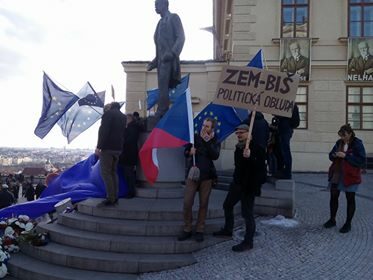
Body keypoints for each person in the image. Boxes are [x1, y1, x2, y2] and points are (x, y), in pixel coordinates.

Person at [213, 122, 267, 252]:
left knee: (247, 213)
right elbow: (239, 167)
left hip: (249, 186)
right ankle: (228, 229)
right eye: (237, 133)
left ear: (249, 134)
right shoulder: (238, 148)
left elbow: (261, 170)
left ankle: (248, 241)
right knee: (227, 205)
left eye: (241, 132)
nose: (238, 135)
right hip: (237, 184)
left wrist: (250, 157)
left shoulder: (258, 148)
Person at [178, 117, 221, 243]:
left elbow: (215, 155)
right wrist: (189, 152)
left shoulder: (214, 140)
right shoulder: (195, 137)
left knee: (203, 204)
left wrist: (207, 142)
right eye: (203, 125)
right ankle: (187, 228)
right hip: (193, 175)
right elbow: (185, 151)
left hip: (207, 176)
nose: (204, 128)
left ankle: (200, 229)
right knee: (187, 202)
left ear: (212, 128)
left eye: (207, 126)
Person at [323, 124, 366, 233]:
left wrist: (346, 156)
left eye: (344, 135)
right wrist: (334, 155)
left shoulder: (357, 144)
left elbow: (361, 160)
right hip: (337, 172)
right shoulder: (339, 143)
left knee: (350, 198)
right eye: (341, 135)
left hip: (350, 175)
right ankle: (332, 220)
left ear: (350, 134)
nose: (342, 138)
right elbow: (330, 155)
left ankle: (348, 223)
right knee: (333, 196)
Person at [147, 0, 185, 120]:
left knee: (163, 87)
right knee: (162, 87)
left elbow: (181, 37)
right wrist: (154, 62)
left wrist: (172, 53)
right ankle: (162, 110)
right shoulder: (159, 23)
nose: (155, 7)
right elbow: (159, 45)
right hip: (161, 60)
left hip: (169, 59)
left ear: (164, 4)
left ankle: (162, 110)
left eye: (157, 5)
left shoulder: (173, 18)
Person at [95, 102, 127, 207]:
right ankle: (115, 196)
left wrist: (99, 146)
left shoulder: (108, 115)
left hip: (107, 148)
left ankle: (110, 198)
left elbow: (104, 131)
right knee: (113, 173)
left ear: (111, 106)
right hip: (118, 148)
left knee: (106, 173)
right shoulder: (123, 116)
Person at [119, 113, 143, 198]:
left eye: (126, 119)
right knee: (128, 173)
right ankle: (130, 191)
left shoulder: (131, 128)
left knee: (129, 174)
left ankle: (131, 192)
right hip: (129, 153)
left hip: (128, 154)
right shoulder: (132, 127)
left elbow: (128, 141)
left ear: (130, 119)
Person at [273, 103, 300, 179]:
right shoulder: (289, 104)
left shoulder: (290, 105)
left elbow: (286, 117)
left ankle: (287, 173)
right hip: (284, 129)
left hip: (285, 129)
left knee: (285, 151)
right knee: (281, 150)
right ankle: (283, 171)